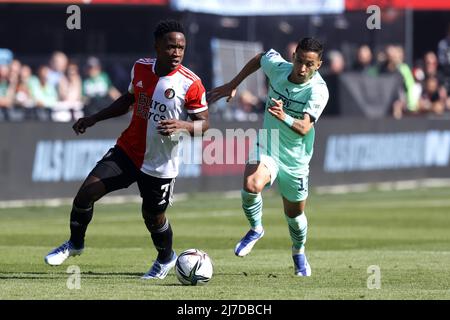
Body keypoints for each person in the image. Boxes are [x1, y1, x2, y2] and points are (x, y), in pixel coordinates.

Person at [44, 20, 209, 280]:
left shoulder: (191, 83)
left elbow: (204, 125)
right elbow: (127, 101)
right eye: (170, 47)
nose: (176, 52)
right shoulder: (141, 68)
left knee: (153, 218)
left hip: (160, 163)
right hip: (128, 151)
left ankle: (166, 258)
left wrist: (183, 125)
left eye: (181, 47)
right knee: (86, 194)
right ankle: (75, 244)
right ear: (157, 46)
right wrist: (93, 118)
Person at [208, 38, 329, 276]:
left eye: (309, 64)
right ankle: (256, 229)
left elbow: (305, 127)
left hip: (296, 158)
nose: (302, 68)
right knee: (251, 184)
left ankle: (298, 252)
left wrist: (283, 116)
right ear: (293, 56)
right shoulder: (279, 68)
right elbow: (260, 57)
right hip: (269, 144)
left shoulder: (318, 90)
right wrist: (234, 84)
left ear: (318, 65)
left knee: (294, 216)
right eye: (300, 61)